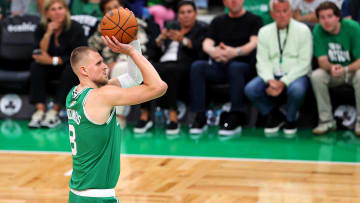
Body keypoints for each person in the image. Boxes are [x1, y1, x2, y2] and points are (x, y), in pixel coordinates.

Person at [67, 36, 167, 202]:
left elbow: (133, 78)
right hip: (97, 198)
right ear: (84, 70)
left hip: (77, 194)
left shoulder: (74, 94)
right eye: (99, 63)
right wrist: (132, 52)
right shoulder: (102, 96)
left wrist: (133, 41)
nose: (106, 66)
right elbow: (158, 87)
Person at [189, 0, 263, 136]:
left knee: (235, 67)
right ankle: (200, 115)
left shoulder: (255, 20)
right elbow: (207, 42)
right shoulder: (218, 21)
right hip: (220, 65)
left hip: (244, 67)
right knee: (198, 66)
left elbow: (254, 42)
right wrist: (213, 51)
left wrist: (235, 52)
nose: (233, 1)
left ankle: (236, 115)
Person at [133, 0, 208, 135]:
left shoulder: (202, 29)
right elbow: (155, 54)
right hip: (164, 62)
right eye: (182, 12)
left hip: (186, 65)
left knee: (170, 69)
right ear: (177, 15)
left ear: (195, 14)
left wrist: (183, 40)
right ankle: (144, 115)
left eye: (189, 12)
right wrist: (159, 40)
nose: (186, 15)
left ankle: (173, 116)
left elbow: (201, 51)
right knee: (148, 68)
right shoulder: (171, 26)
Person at [245, 0, 312, 134]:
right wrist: (270, 80)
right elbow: (262, 61)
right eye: (277, 11)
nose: (281, 15)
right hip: (272, 75)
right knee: (250, 89)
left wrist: (283, 82)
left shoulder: (303, 30)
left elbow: (304, 63)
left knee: (297, 90)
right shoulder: (264, 31)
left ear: (291, 12)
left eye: (285, 11)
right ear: (272, 14)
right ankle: (275, 115)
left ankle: (290, 119)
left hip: (295, 75)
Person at [28, 0, 87, 128]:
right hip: (49, 68)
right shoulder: (41, 28)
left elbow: (79, 55)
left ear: (66, 10)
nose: (57, 12)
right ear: (47, 13)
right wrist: (48, 33)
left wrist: (54, 60)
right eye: (53, 9)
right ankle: (39, 110)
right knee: (35, 66)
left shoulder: (76, 28)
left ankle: (54, 112)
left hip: (68, 66)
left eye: (60, 8)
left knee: (72, 68)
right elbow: (39, 53)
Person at [311, 1, 360, 136]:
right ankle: (326, 121)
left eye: (330, 16)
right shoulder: (318, 30)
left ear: (338, 17)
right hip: (333, 72)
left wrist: (346, 69)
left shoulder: (353, 27)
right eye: (322, 17)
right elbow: (321, 61)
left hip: (352, 71)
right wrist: (332, 67)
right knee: (317, 75)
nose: (326, 21)